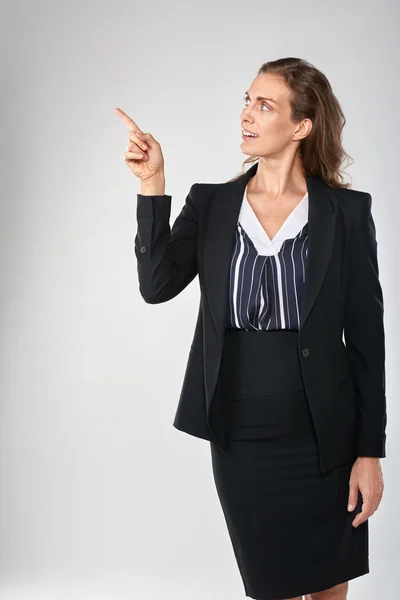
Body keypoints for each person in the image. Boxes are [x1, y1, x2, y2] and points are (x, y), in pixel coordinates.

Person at [115, 56, 386, 600]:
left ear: (302, 126)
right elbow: (157, 284)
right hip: (241, 429)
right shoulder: (211, 204)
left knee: (329, 586)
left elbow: (367, 340)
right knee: (272, 585)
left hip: (324, 430)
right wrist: (153, 185)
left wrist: (369, 451)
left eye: (265, 105)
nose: (247, 114)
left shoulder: (346, 213)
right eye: (246, 100)